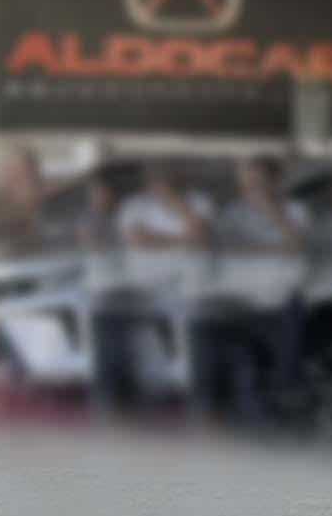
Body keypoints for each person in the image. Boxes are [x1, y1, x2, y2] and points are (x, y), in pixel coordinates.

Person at [192, 152, 311, 429]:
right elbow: (224, 251)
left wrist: (270, 211)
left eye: (259, 182)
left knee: (288, 373)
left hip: (281, 301)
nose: (252, 189)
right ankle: (221, 423)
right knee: (225, 356)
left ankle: (290, 426)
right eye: (247, 183)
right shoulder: (233, 214)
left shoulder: (296, 210)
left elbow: (297, 246)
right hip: (238, 304)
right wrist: (274, 250)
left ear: (275, 181)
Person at [97, 163, 211, 416]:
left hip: (189, 283)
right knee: (105, 314)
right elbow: (138, 240)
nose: (160, 182)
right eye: (156, 177)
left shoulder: (198, 201)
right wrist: (182, 240)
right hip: (142, 284)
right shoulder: (135, 205)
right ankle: (112, 400)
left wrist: (172, 202)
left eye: (166, 177)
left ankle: (199, 398)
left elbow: (200, 236)